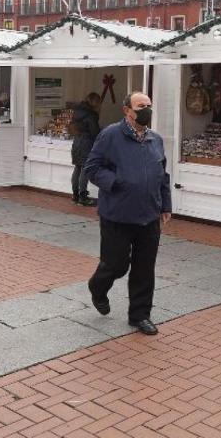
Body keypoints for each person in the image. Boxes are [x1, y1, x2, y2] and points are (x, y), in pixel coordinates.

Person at [84, 91, 172, 335]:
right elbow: (92, 167)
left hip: (149, 215)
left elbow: (162, 174)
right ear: (127, 111)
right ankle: (98, 287)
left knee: (145, 267)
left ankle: (140, 315)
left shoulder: (155, 139)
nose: (146, 110)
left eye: (149, 105)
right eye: (141, 106)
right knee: (116, 264)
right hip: (117, 214)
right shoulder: (111, 135)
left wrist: (165, 204)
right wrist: (117, 181)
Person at [70, 92, 103, 206]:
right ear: (94, 102)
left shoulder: (77, 112)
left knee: (77, 168)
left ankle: (75, 195)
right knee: (85, 169)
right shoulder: (91, 115)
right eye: (99, 103)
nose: (100, 105)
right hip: (87, 144)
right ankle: (83, 196)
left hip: (77, 142)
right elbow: (95, 132)